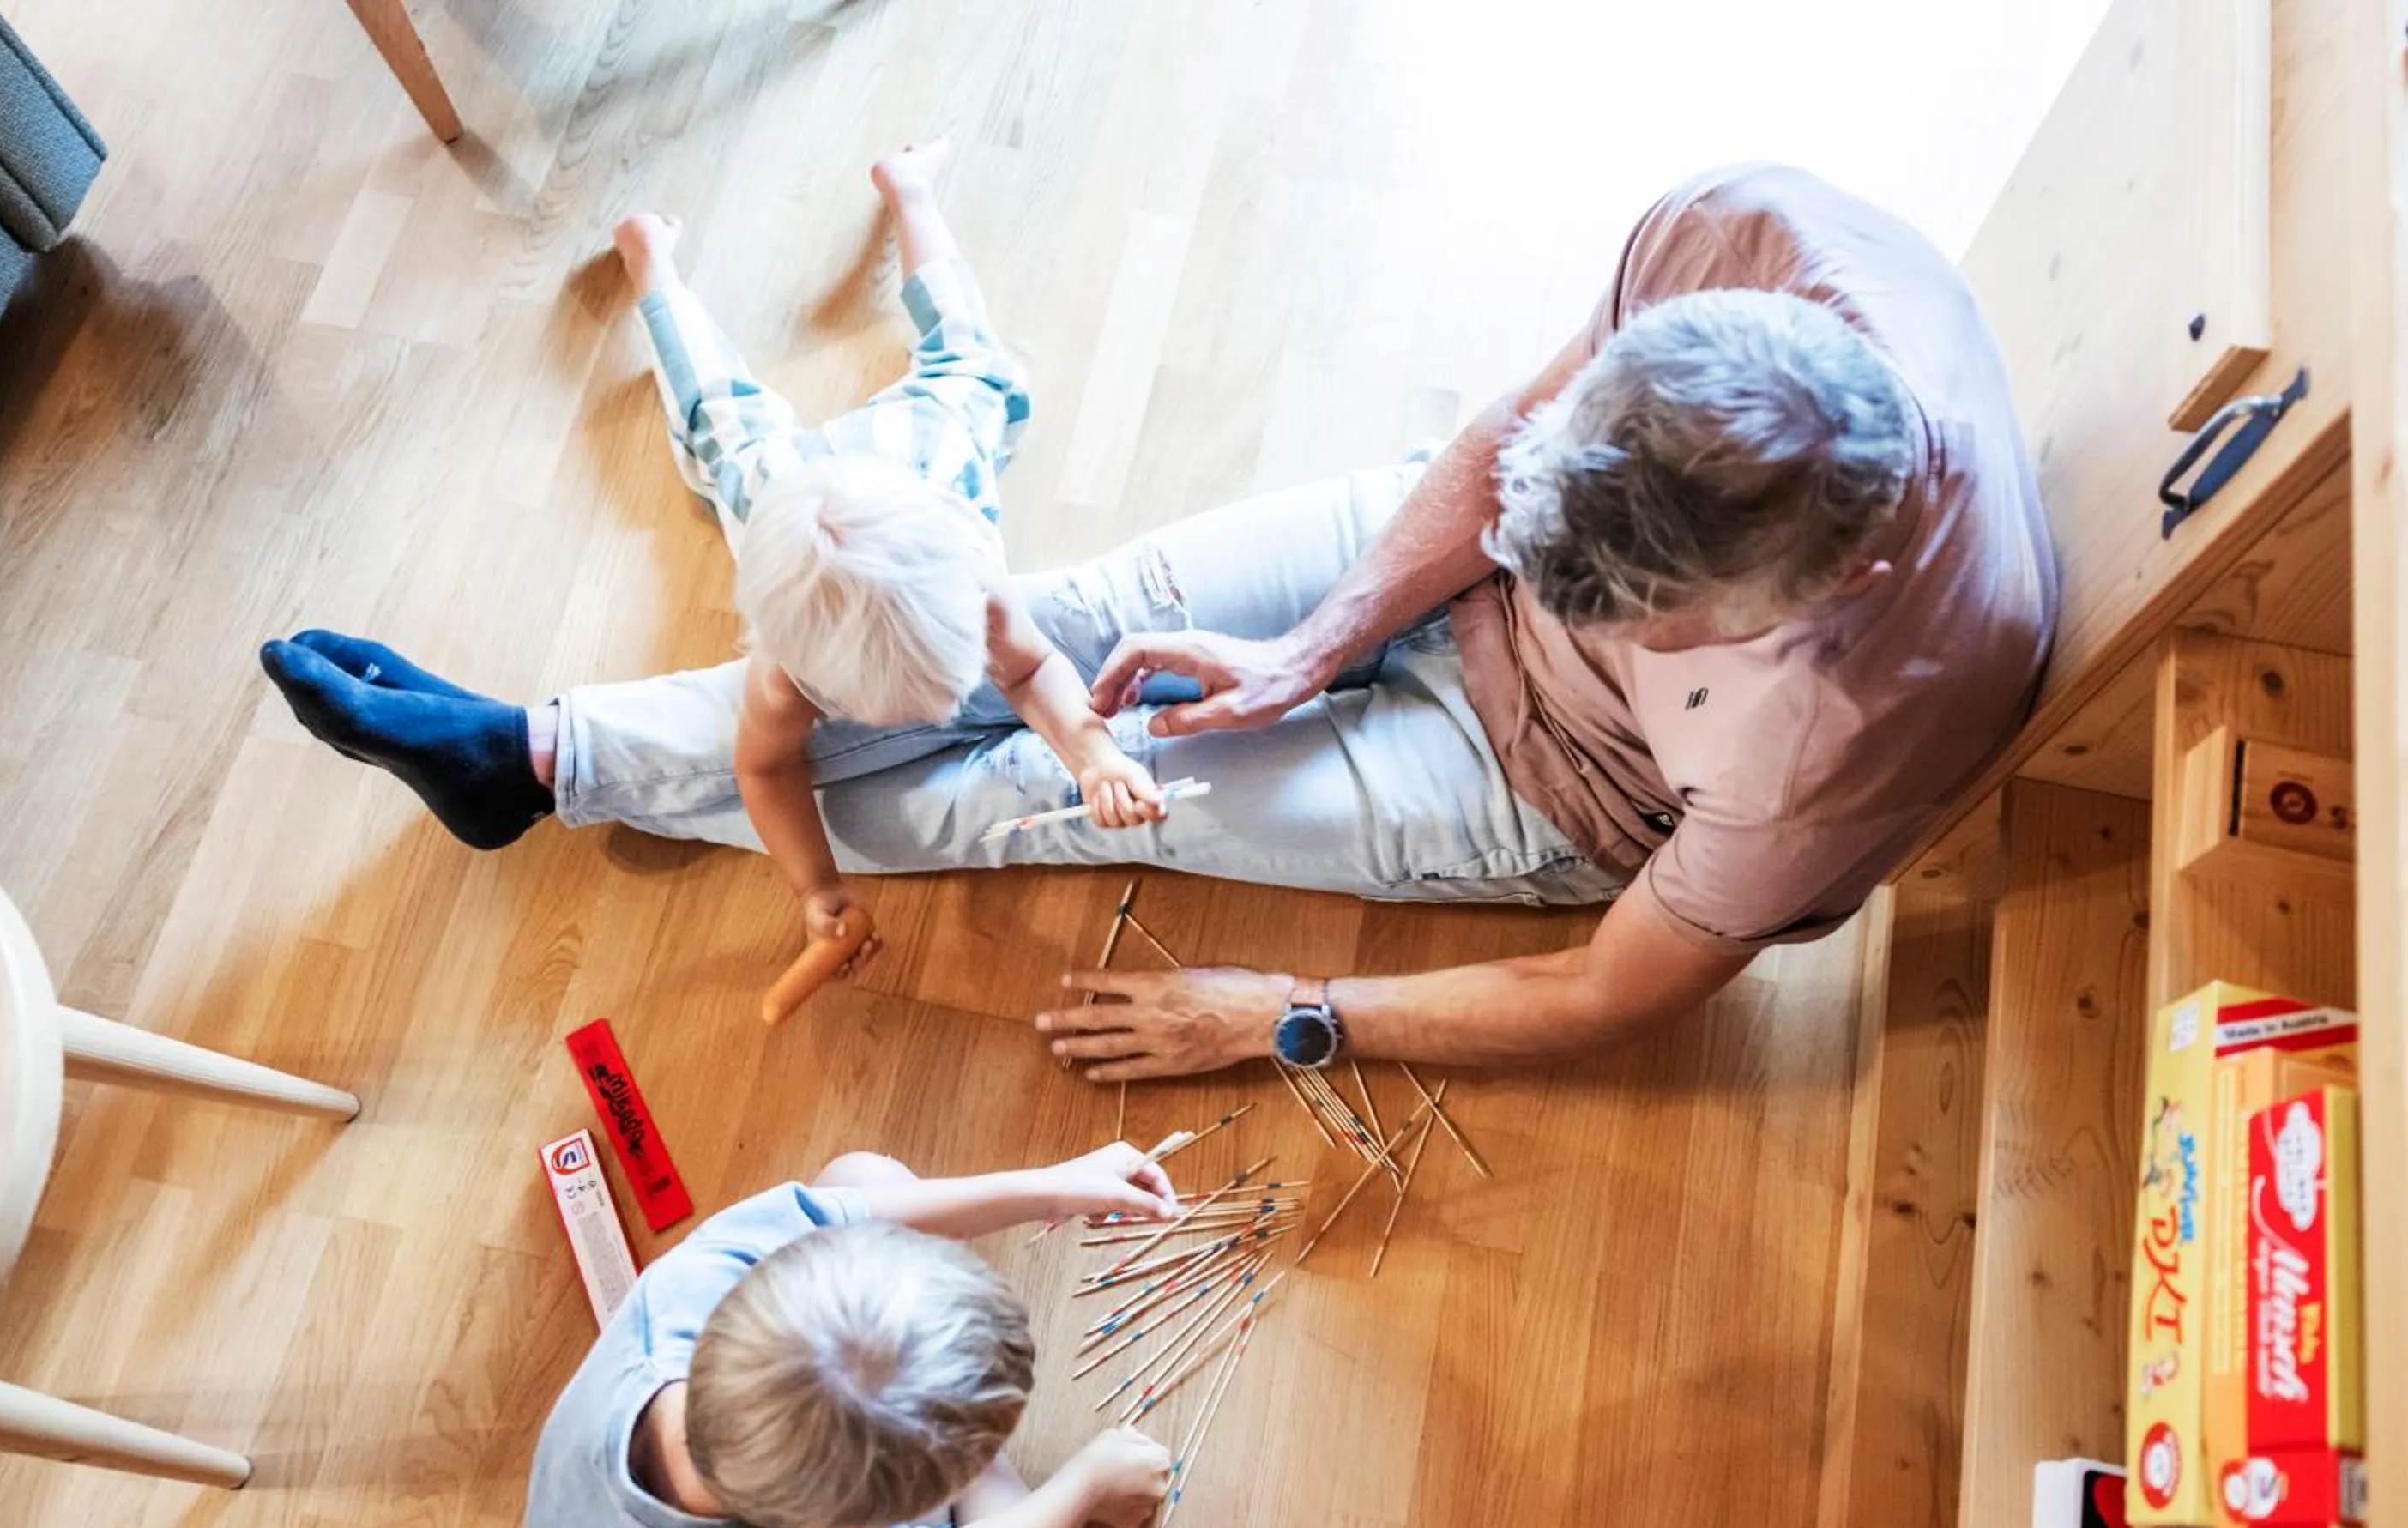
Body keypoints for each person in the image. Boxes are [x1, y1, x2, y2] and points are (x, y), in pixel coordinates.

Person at [261, 164, 2054, 1083]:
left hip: (1552, 794)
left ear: (1795, 605)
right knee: (1022, 639)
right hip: (1439, 549)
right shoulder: (1740, 244)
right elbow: (1503, 448)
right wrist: (1312, 639)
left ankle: (544, 765)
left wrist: (1289, 1013)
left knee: (1022, 797)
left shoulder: (1858, 726)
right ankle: (543, 755)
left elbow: (1609, 991)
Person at [268, 139, 1162, 977]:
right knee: (715, 415)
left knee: (974, 368)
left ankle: (911, 192)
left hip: (930, 450)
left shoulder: (978, 587)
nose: (923, 715)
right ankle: (649, 261)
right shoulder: (785, 673)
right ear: (789, 658)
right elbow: (764, 769)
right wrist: (816, 887)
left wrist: (1094, 759)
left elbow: (1034, 668)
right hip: (783, 487)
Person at [523, 1144, 1186, 1528]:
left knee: (862, 1177)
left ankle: (948, 1460)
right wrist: (1085, 1485)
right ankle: (986, 1478)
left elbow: (841, 1212)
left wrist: (1053, 1185)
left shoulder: (683, 1289)